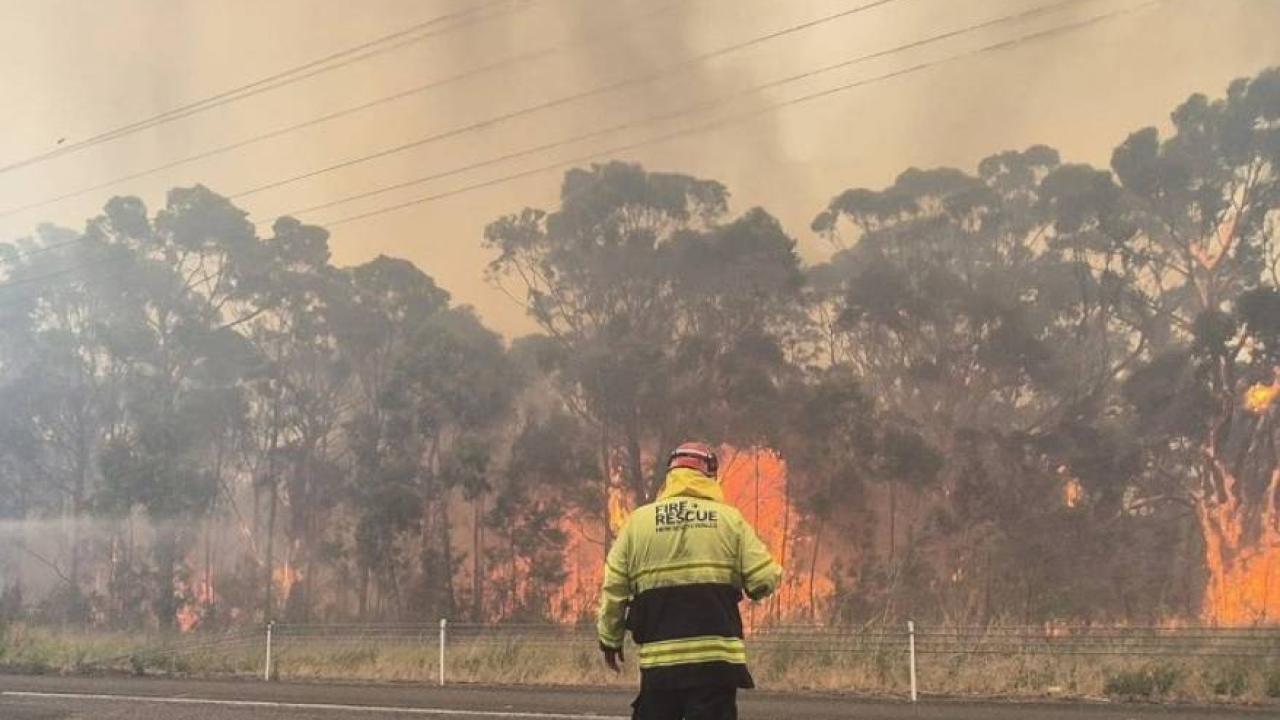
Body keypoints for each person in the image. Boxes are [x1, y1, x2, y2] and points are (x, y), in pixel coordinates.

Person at [596, 442, 783, 720]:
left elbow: (614, 589)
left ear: (670, 476)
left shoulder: (638, 523)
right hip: (715, 665)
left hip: (660, 667)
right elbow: (764, 579)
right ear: (710, 475)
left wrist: (609, 639)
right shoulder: (729, 520)